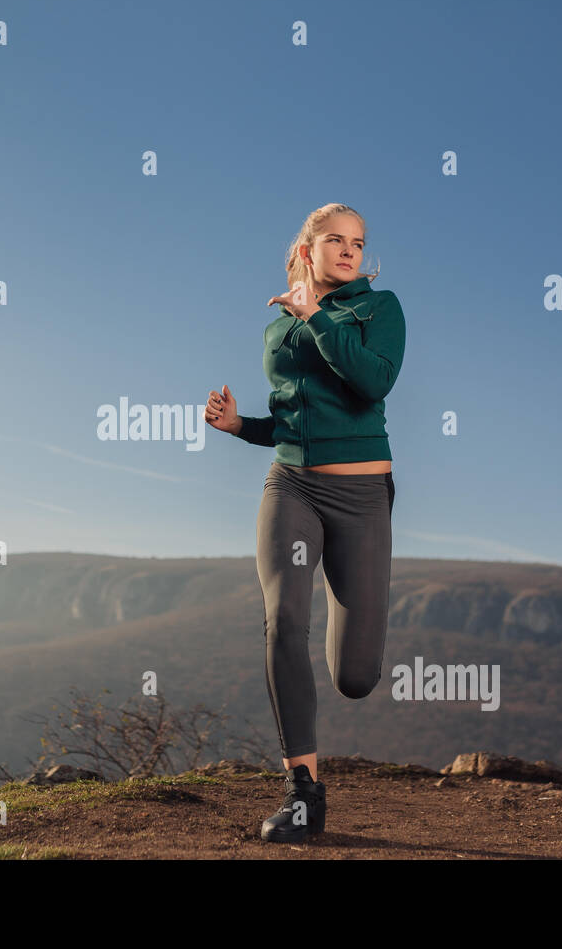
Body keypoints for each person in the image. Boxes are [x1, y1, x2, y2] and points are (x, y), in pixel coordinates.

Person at [204, 203, 405, 843]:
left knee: (355, 675)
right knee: (284, 617)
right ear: (306, 249)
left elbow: (372, 383)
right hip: (291, 486)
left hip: (363, 498)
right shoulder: (277, 329)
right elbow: (291, 420)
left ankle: (351, 645)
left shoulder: (380, 309)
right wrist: (241, 428)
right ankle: (303, 793)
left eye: (359, 243)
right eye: (336, 241)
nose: (350, 251)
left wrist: (316, 316)